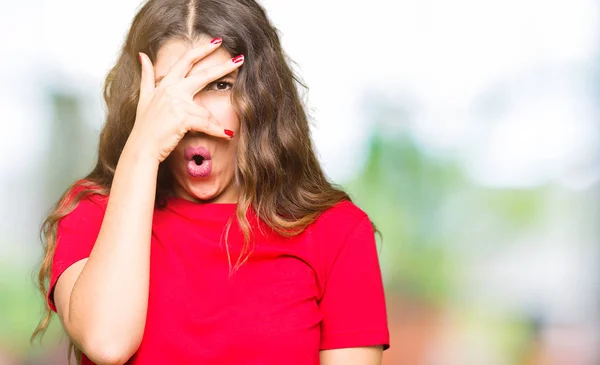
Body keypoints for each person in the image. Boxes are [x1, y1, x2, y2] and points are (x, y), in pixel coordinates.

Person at [31, 0, 390, 364]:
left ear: (260, 96)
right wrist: (140, 150)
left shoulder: (337, 232)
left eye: (220, 84)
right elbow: (107, 343)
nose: (193, 115)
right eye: (169, 89)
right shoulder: (92, 212)